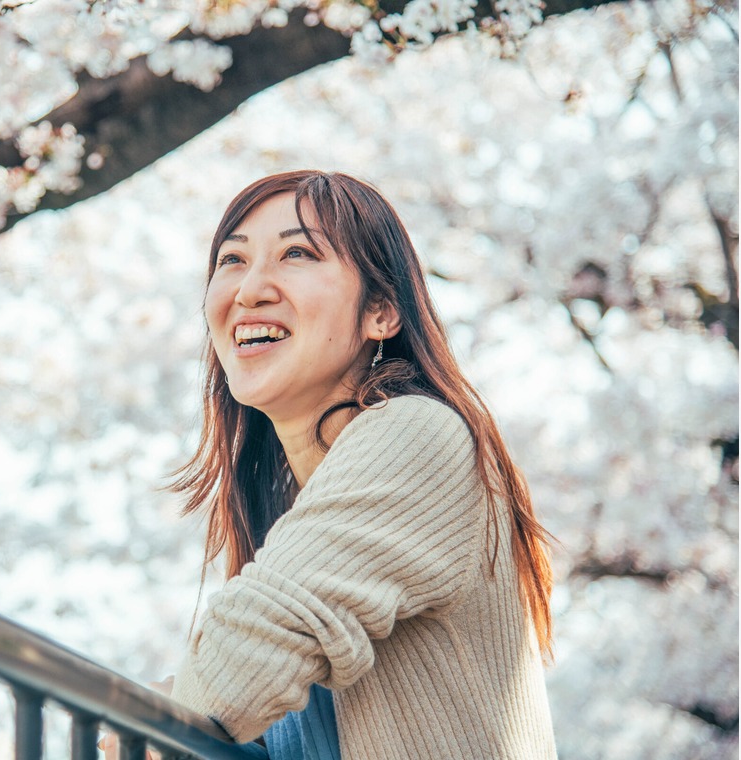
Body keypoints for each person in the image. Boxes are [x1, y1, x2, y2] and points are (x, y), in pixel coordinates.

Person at [165, 170, 558, 759]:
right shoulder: (289, 507)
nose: (250, 290)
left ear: (381, 310)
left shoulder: (419, 433)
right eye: (232, 260)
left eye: (297, 253)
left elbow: (232, 675)